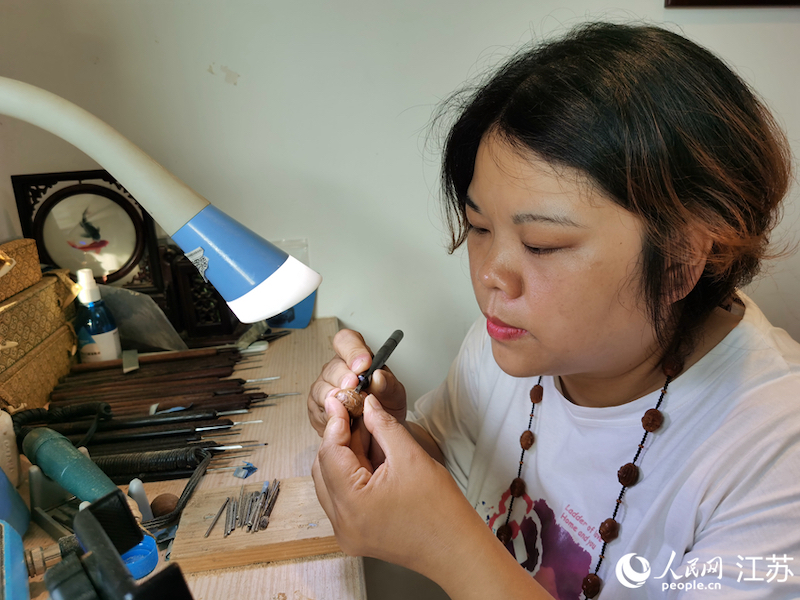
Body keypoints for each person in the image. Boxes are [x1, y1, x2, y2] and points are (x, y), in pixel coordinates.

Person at [307, 21, 800, 599]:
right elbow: (456, 455)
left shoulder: (775, 453)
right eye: (479, 227)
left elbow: (451, 534)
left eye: (540, 244)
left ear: (680, 262)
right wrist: (379, 434)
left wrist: (445, 546)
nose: (492, 274)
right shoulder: (505, 342)